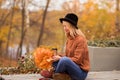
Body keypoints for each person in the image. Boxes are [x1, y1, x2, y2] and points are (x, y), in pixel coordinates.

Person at [52, 13, 90, 80]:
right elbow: (67, 56)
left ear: (71, 26)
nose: (64, 28)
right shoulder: (69, 39)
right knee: (53, 60)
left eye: (66, 26)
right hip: (71, 70)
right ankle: (60, 75)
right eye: (63, 26)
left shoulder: (81, 40)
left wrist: (61, 58)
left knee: (64, 60)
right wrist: (57, 57)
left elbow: (77, 60)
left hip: (80, 73)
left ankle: (54, 74)